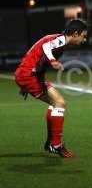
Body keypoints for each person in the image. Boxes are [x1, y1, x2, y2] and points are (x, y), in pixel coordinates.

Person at [14, 19, 88, 158]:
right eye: (83, 36)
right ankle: (55, 145)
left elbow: (38, 57)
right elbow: (46, 47)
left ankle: (52, 143)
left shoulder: (58, 39)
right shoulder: (60, 40)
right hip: (29, 75)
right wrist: (53, 61)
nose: (84, 39)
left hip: (31, 75)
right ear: (76, 33)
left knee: (58, 103)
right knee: (59, 103)